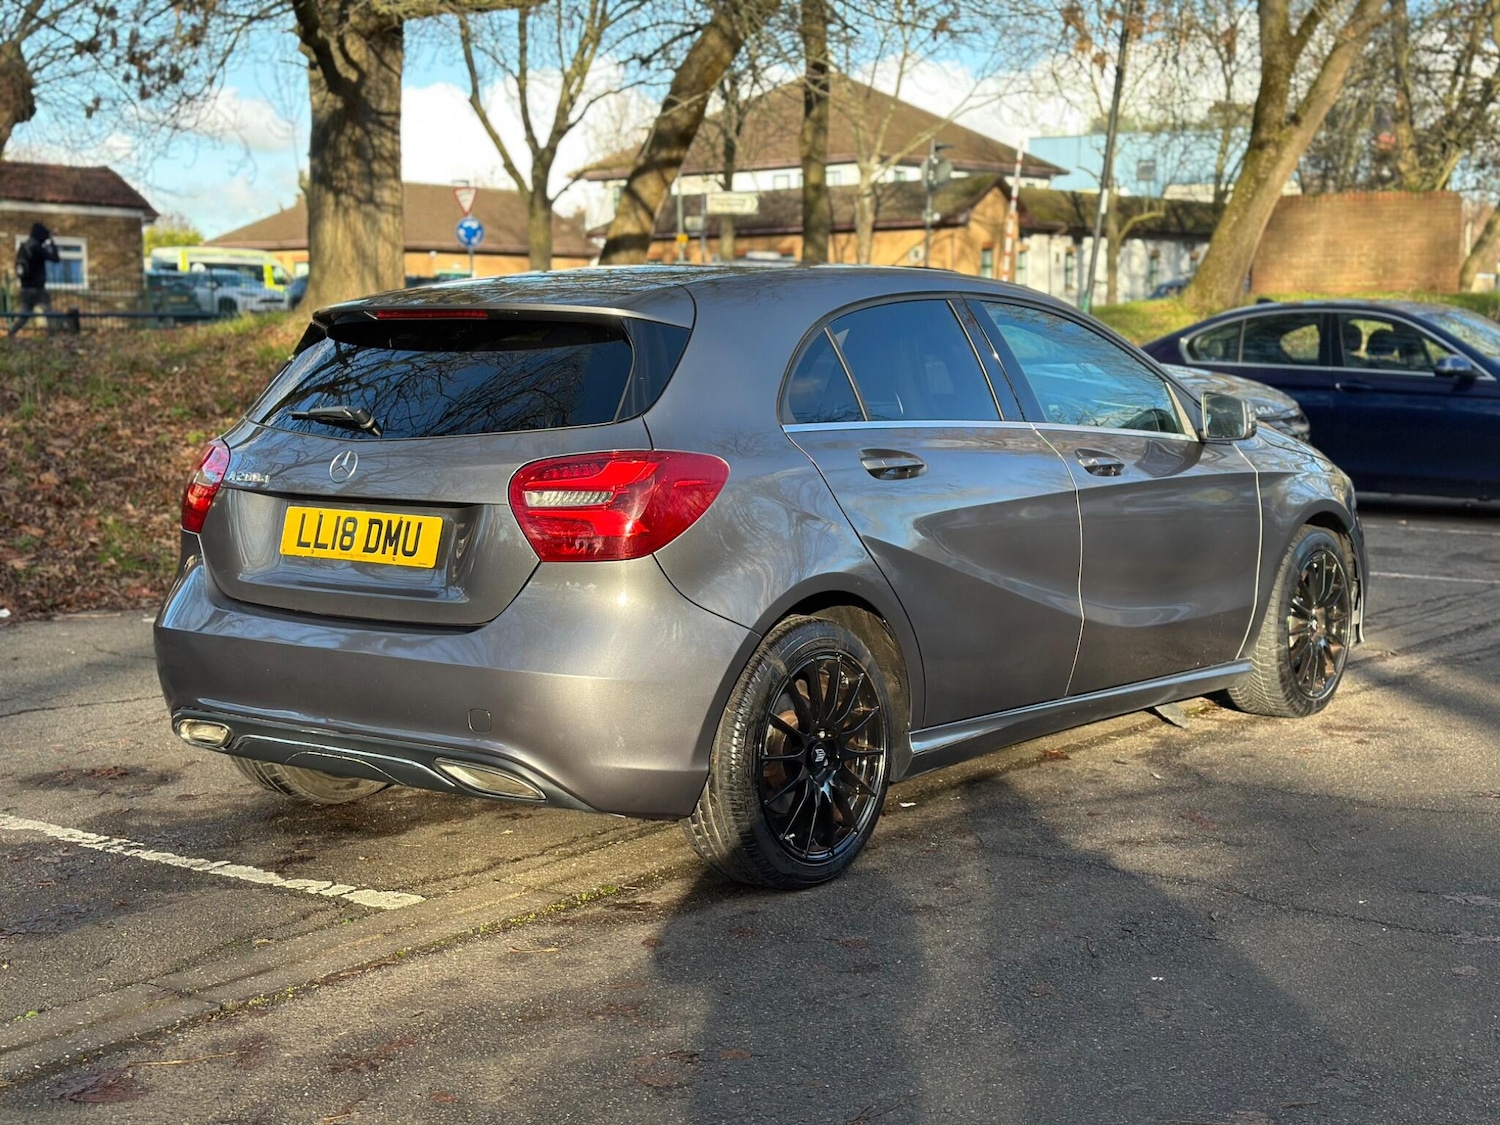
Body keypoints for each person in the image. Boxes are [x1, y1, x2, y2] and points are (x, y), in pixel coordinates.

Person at [8, 223, 61, 338]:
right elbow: (55, 259)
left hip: (25, 288)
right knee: (49, 313)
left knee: (24, 315)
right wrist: (51, 242)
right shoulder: (38, 248)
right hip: (38, 289)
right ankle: (53, 337)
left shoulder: (24, 247)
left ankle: (11, 333)